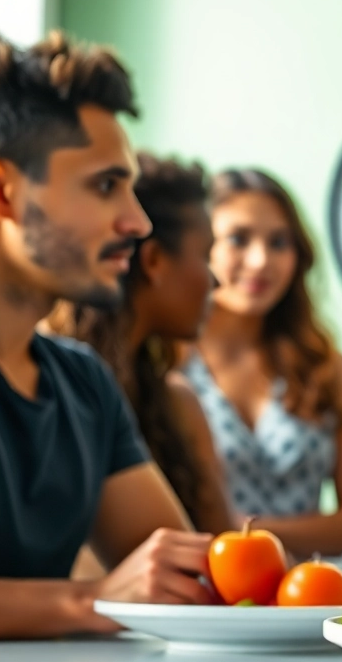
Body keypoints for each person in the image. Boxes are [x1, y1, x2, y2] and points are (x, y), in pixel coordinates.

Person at [0, 33, 214, 640]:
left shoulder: (83, 382)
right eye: (105, 186)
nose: (138, 221)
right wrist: (92, 600)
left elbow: (179, 580)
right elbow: (118, 593)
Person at [186, 169, 342, 558]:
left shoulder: (327, 370)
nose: (260, 261)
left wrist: (238, 531)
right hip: (198, 586)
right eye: (238, 239)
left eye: (278, 242)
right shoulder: (167, 367)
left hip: (305, 586)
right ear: (202, 246)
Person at [50, 152, 232, 535]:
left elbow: (222, 545)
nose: (216, 281)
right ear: (154, 261)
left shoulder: (178, 404)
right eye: (206, 256)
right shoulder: (59, 392)